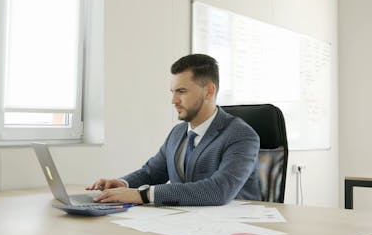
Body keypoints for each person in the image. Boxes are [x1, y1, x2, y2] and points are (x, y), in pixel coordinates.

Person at [87, 54, 261, 206]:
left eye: (182, 91)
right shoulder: (178, 133)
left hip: (233, 230)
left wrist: (143, 195)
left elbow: (219, 190)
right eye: (173, 92)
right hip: (186, 224)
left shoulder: (241, 135)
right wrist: (122, 184)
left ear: (209, 91)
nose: (174, 100)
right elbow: (152, 173)